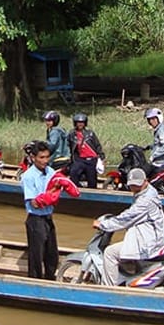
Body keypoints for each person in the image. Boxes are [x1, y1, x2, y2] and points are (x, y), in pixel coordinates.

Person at [93, 168, 164, 285]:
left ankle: (109, 288)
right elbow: (130, 213)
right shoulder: (150, 191)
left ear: (145, 181)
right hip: (150, 235)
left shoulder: (145, 200)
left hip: (148, 242)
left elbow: (127, 218)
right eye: (132, 185)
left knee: (110, 252)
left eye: (137, 185)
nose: (134, 188)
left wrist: (103, 224)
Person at [22, 141, 61, 279]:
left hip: (48, 218)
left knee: (52, 255)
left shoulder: (51, 172)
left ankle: (50, 279)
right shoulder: (28, 176)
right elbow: (34, 204)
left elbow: (58, 187)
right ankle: (35, 282)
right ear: (33, 158)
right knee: (36, 256)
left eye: (47, 157)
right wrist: (50, 197)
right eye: (41, 157)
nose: (45, 161)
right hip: (35, 220)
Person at [66, 112, 105, 188]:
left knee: (92, 179)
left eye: (82, 122)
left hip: (91, 159)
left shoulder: (90, 134)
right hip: (80, 159)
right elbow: (68, 146)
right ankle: (77, 189)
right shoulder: (72, 134)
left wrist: (101, 156)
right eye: (78, 122)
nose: (80, 124)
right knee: (73, 172)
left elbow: (97, 145)